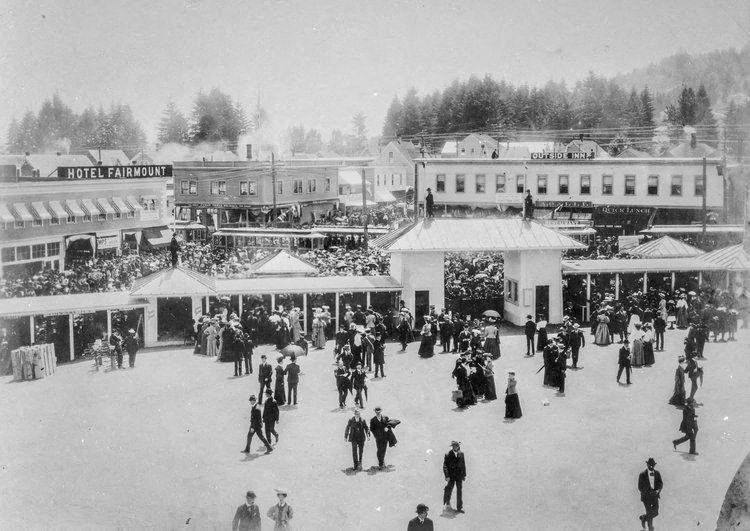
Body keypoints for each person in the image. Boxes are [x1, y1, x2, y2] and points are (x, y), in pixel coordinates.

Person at [638, 457, 663, 531]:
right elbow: (640, 487)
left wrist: (658, 491)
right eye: (650, 465)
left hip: (655, 496)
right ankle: (650, 527)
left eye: (652, 465)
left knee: (655, 512)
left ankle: (644, 518)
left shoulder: (657, 473)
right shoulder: (642, 474)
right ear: (647, 465)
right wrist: (648, 493)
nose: (651, 466)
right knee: (649, 512)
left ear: (654, 465)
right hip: (646, 497)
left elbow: (660, 483)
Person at [443, 441, 466, 513]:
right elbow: (445, 466)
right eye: (454, 446)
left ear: (458, 446)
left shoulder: (461, 454)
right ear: (452, 446)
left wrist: (464, 475)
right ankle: (447, 504)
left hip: (459, 476)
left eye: (456, 446)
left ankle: (459, 508)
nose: (455, 447)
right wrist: (447, 476)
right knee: (449, 489)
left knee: (459, 491)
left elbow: (463, 465)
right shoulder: (448, 454)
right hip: (451, 476)